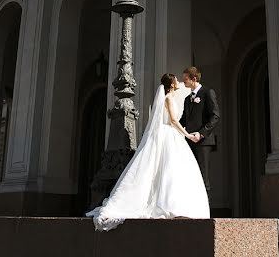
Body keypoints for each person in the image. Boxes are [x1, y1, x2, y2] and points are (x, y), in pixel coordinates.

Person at [87, 73, 210, 231]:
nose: (179, 81)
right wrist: (186, 135)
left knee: (168, 170)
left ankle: (169, 202)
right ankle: (169, 204)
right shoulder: (169, 99)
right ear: (172, 84)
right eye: (176, 80)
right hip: (170, 135)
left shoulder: (168, 98)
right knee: (170, 169)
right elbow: (173, 120)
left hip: (169, 134)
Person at [179, 66, 220, 197]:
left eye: (185, 79)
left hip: (203, 141)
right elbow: (184, 120)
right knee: (191, 174)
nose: (183, 81)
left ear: (194, 79)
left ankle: (205, 210)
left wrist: (201, 133)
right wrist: (170, 128)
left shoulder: (208, 92)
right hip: (189, 141)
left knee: (203, 175)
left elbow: (215, 116)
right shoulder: (187, 99)